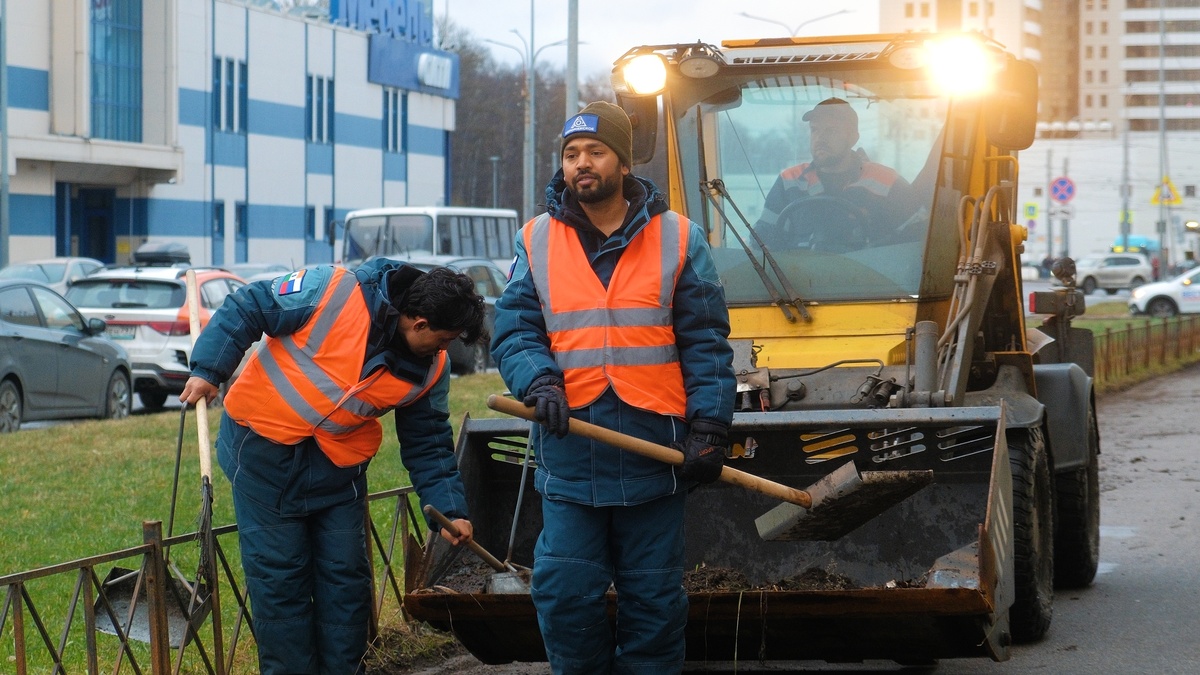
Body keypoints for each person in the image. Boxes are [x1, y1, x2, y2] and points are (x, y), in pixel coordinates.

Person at [491, 100, 736, 673]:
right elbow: (515, 330)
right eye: (571, 154)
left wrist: (710, 426)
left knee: (653, 602)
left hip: (655, 451)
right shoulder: (537, 239)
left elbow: (705, 341)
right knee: (563, 596)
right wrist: (539, 382)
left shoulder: (678, 237)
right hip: (571, 449)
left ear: (623, 163)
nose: (581, 164)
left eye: (595, 152)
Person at [179, 260, 486, 674]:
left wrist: (451, 510)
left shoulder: (432, 369)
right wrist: (210, 369)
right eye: (442, 339)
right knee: (280, 586)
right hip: (262, 455)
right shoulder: (331, 290)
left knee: (345, 584)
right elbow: (250, 305)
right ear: (418, 322)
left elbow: (429, 441)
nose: (444, 350)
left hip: (338, 470)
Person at [756, 96, 918, 250]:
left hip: (867, 278)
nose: (820, 138)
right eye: (815, 130)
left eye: (831, 131)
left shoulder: (887, 182)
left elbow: (917, 241)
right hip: (796, 278)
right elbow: (762, 243)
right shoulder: (789, 181)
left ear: (853, 138)